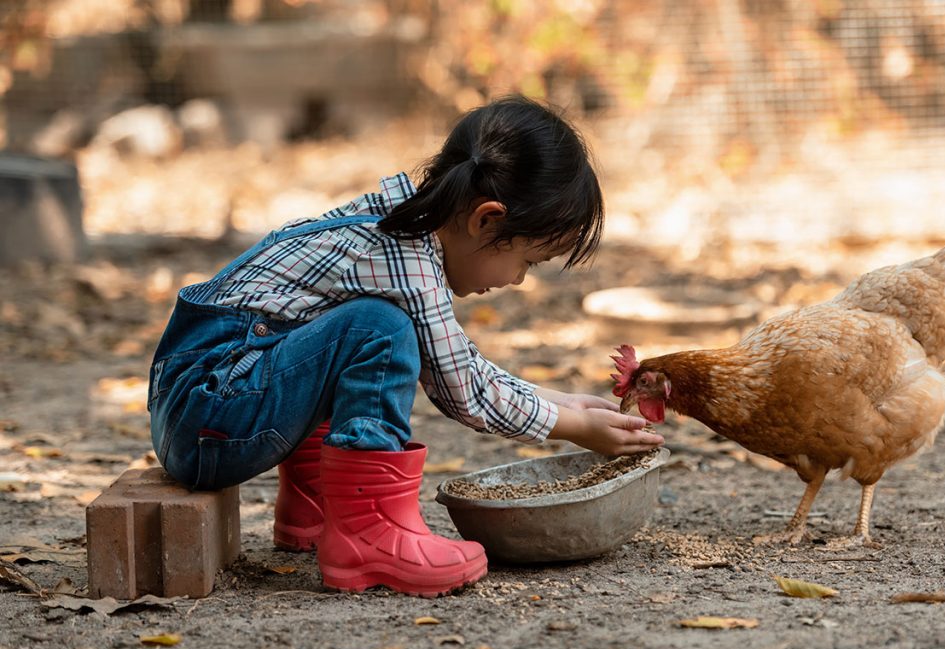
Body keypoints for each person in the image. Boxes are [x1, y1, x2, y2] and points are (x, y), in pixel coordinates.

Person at [147, 95, 664, 598]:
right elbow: (466, 392)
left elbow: (459, 361)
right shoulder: (407, 264)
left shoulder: (400, 225)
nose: (519, 281)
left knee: (353, 331)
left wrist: (562, 401)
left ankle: (317, 504)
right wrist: (571, 426)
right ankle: (368, 534)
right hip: (208, 421)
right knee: (380, 329)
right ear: (486, 219)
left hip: (203, 406)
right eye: (528, 262)